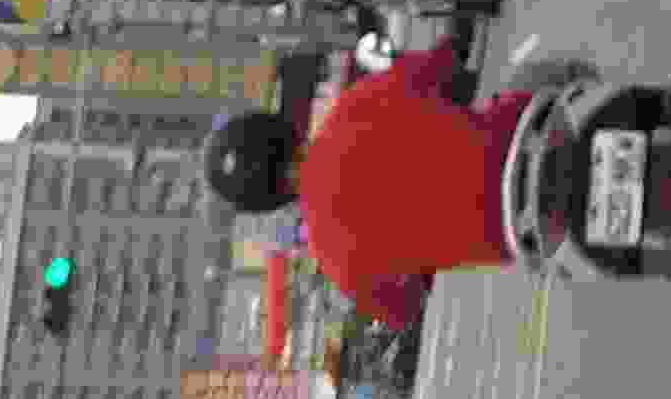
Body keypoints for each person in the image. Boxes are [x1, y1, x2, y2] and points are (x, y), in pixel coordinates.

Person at [203, 51, 534, 331]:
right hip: (520, 136)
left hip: (517, 231)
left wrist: (420, 256)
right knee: (529, 76)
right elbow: (443, 64)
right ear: (275, 128)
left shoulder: (332, 256)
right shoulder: (354, 104)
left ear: (265, 201)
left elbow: (404, 310)